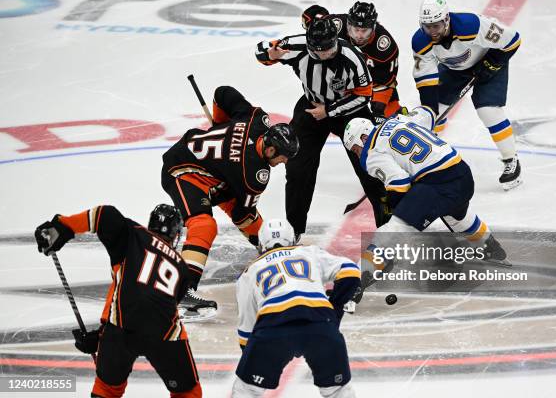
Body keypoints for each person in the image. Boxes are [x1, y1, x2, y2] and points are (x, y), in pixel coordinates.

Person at [34, 204, 202, 398]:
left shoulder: (134, 234)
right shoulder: (182, 267)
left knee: (107, 388)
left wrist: (62, 226)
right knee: (188, 391)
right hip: (164, 334)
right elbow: (152, 304)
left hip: (120, 331)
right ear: (176, 234)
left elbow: (105, 214)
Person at [161, 85, 299, 310]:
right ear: (272, 150)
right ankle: (181, 291)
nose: (283, 163)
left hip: (212, 169)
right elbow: (241, 214)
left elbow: (222, 93)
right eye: (283, 158)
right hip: (183, 170)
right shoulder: (254, 175)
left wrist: (221, 123)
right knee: (204, 225)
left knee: (241, 206)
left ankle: (275, 254)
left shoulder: (258, 120)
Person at [343, 107, 508, 293]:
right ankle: (490, 246)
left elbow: (400, 183)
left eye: (356, 149)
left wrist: (402, 213)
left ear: (364, 138)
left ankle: (352, 285)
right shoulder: (398, 120)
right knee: (456, 216)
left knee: (392, 230)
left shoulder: (373, 154)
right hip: (462, 172)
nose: (358, 155)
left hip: (438, 183)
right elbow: (427, 114)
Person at [255, 17, 387, 239]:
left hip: (348, 111)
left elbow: (364, 96)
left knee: (370, 166)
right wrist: (270, 55)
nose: (326, 54)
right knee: (297, 169)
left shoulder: (351, 57)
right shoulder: (295, 46)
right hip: (311, 108)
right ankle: (293, 231)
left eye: (330, 48)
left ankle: (388, 227)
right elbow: (261, 50)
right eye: (320, 51)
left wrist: (329, 110)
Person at [231, 219, 360, 397]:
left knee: (247, 390)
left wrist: (257, 360)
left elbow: (246, 332)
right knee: (338, 390)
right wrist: (334, 315)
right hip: (320, 323)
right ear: (293, 239)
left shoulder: (249, 273)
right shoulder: (309, 252)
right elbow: (351, 272)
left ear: (261, 244)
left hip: (273, 329)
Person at [411, 0, 523, 190]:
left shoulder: (471, 26)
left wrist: (492, 64)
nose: (432, 32)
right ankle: (428, 162)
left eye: (436, 26)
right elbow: (426, 81)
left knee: (487, 110)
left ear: (446, 20)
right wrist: (430, 111)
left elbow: (513, 40)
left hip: (489, 61)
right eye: (427, 27)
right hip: (454, 69)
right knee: (434, 112)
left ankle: (511, 159)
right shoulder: (421, 41)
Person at [302, 2, 402, 124]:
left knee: (388, 116)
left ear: (373, 27)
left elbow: (384, 83)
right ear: (349, 24)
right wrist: (311, 20)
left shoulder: (385, 47)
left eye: (364, 30)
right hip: (340, 78)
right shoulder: (336, 25)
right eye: (356, 29)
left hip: (370, 82)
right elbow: (314, 23)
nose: (359, 36)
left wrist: (378, 109)